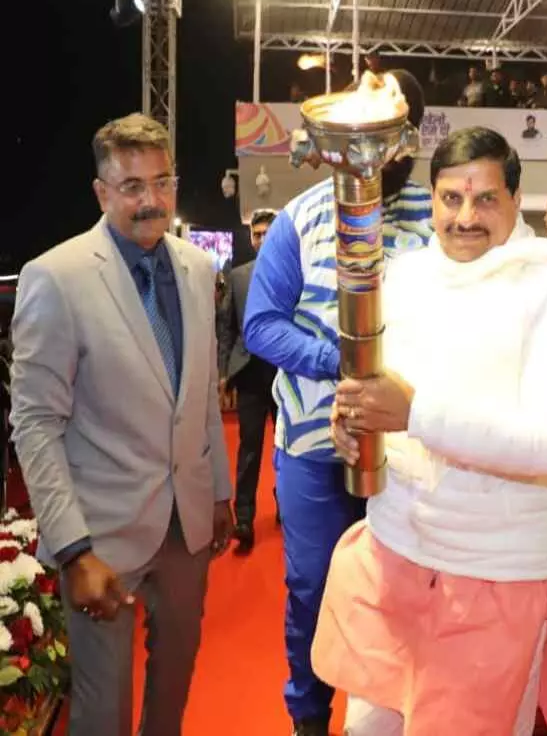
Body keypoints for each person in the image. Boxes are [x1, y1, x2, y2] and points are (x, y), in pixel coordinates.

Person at [309, 128, 547, 734]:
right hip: (394, 552)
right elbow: (379, 390)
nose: (465, 218)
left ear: (516, 200)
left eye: (485, 200)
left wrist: (414, 413)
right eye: (451, 198)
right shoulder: (406, 276)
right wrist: (352, 423)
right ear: (431, 198)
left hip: (494, 572)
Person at [9, 113, 232, 734]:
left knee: (172, 697)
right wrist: (73, 549)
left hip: (187, 529)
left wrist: (218, 491)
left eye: (162, 182)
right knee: (102, 714)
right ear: (101, 192)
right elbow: (35, 422)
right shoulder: (56, 277)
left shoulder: (197, 268)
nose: (150, 200)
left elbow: (201, 394)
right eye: (132, 186)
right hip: (101, 537)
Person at [243, 70, 434, 736]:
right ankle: (310, 716)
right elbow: (260, 325)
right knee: (314, 587)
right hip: (312, 443)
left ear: (409, 136)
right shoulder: (301, 216)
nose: (370, 142)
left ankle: (400, 713)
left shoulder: (441, 216)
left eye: (387, 127)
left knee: (409, 586)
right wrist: (344, 365)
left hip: (414, 447)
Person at [217, 208, 278, 552]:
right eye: (257, 234)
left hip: (285, 372)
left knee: (287, 447)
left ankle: (287, 507)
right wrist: (223, 372)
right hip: (250, 372)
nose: (262, 239)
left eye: (268, 232)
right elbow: (226, 327)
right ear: (251, 239)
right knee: (249, 447)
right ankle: (244, 519)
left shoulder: (294, 270)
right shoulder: (237, 277)